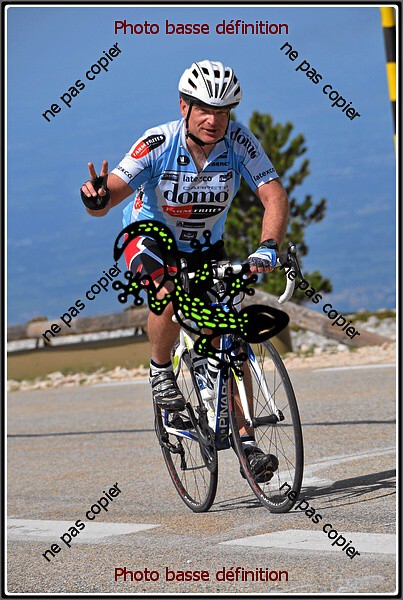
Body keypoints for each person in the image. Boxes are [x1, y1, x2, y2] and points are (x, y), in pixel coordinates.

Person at [81, 60, 289, 482]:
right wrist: (97, 197)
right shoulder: (157, 142)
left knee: (228, 338)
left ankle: (247, 443)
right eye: (205, 110)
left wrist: (268, 247)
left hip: (205, 247)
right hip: (150, 237)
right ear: (184, 107)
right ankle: (161, 371)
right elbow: (111, 195)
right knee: (167, 291)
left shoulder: (239, 142)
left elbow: (274, 196)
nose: (214, 120)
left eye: (223, 111)